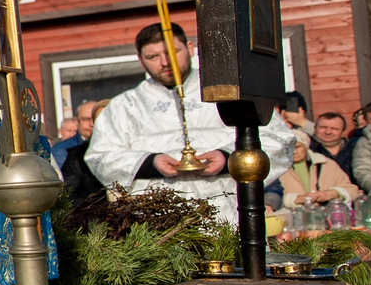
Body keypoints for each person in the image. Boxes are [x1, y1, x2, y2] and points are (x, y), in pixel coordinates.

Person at [85, 23, 295, 204]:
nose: (165, 63)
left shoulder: (229, 92)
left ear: (190, 48)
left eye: (173, 52)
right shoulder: (124, 106)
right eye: (153, 57)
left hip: (227, 209)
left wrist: (227, 158)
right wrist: (150, 162)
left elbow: (279, 140)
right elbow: (100, 157)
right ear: (140, 60)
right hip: (157, 217)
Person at [279, 133, 360, 207]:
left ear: (306, 146)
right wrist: (295, 199)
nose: (294, 152)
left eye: (297, 147)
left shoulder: (326, 164)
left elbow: (352, 190)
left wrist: (334, 193)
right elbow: (271, 197)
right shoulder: (276, 169)